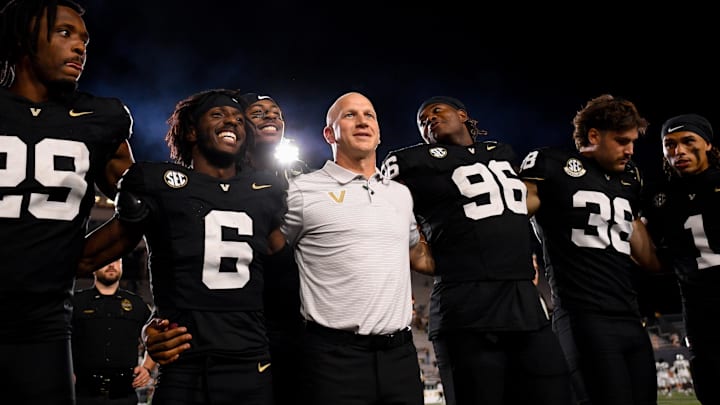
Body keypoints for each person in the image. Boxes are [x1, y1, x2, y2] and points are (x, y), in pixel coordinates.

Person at [77, 88, 287, 405]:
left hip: (252, 363)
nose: (231, 122)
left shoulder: (265, 191)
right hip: (185, 364)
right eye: (218, 115)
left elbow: (288, 275)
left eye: (238, 119)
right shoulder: (160, 185)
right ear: (190, 130)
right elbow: (86, 257)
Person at [381, 96, 572, 405]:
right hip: (466, 303)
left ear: (462, 114)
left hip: (522, 298)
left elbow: (523, 205)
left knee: (554, 394)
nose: (428, 119)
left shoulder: (502, 151)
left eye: (436, 111)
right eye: (422, 120)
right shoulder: (411, 160)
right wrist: (420, 250)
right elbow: (381, 210)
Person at [0, 1, 135, 403]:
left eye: (84, 40)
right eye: (64, 33)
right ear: (25, 39)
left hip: (42, 325)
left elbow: (142, 208)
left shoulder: (98, 117)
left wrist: (87, 257)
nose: (80, 48)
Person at [518, 94, 660, 405]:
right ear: (594, 135)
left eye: (633, 141)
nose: (631, 150)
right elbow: (509, 213)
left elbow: (648, 257)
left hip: (630, 317)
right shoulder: (551, 166)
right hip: (585, 318)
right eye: (622, 141)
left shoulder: (629, 178)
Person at [641, 113, 719, 404]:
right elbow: (652, 259)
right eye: (669, 144)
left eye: (688, 141)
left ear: (708, 144)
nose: (679, 151)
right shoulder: (660, 196)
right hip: (699, 311)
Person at [240, 92, 309, 405]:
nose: (270, 117)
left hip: (301, 317)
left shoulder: (304, 178)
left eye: (276, 113)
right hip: (247, 317)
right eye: (258, 112)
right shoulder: (224, 176)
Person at [72, 258, 156, 405]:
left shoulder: (137, 304)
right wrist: (64, 370)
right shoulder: (75, 302)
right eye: (106, 261)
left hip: (124, 396)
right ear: (94, 267)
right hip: (82, 395)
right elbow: (57, 338)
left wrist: (147, 368)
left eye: (117, 261)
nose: (111, 265)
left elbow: (155, 337)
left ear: (122, 266)